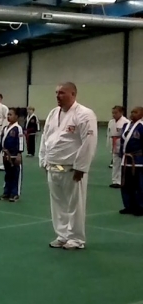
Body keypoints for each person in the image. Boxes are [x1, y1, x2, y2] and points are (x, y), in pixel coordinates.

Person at [39, 82, 98, 250]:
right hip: (53, 166)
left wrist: (81, 167)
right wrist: (43, 159)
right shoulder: (53, 113)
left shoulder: (84, 114)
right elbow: (45, 137)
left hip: (72, 168)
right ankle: (62, 235)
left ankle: (76, 238)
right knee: (58, 205)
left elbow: (89, 142)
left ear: (73, 94)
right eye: (56, 93)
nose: (58, 96)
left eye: (62, 93)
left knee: (75, 205)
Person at [0, 108, 24, 202]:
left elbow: (20, 141)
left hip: (14, 155)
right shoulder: (5, 128)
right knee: (7, 175)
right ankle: (6, 192)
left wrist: (19, 154)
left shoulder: (18, 128)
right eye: (8, 114)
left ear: (16, 116)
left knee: (15, 175)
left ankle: (15, 193)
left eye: (11, 114)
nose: (8, 116)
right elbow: (2, 141)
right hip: (6, 155)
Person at [119, 106, 142, 216]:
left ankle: (140, 207)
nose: (132, 114)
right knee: (126, 184)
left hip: (138, 160)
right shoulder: (125, 126)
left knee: (139, 185)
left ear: (141, 115)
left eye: (136, 112)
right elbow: (122, 142)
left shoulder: (141, 127)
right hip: (126, 160)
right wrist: (121, 154)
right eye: (132, 112)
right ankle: (128, 206)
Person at [108, 106, 129, 188]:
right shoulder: (111, 122)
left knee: (121, 164)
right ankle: (114, 181)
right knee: (115, 163)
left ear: (121, 113)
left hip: (121, 144)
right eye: (113, 113)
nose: (114, 114)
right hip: (113, 143)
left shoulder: (126, 122)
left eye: (116, 113)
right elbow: (109, 133)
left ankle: (120, 181)